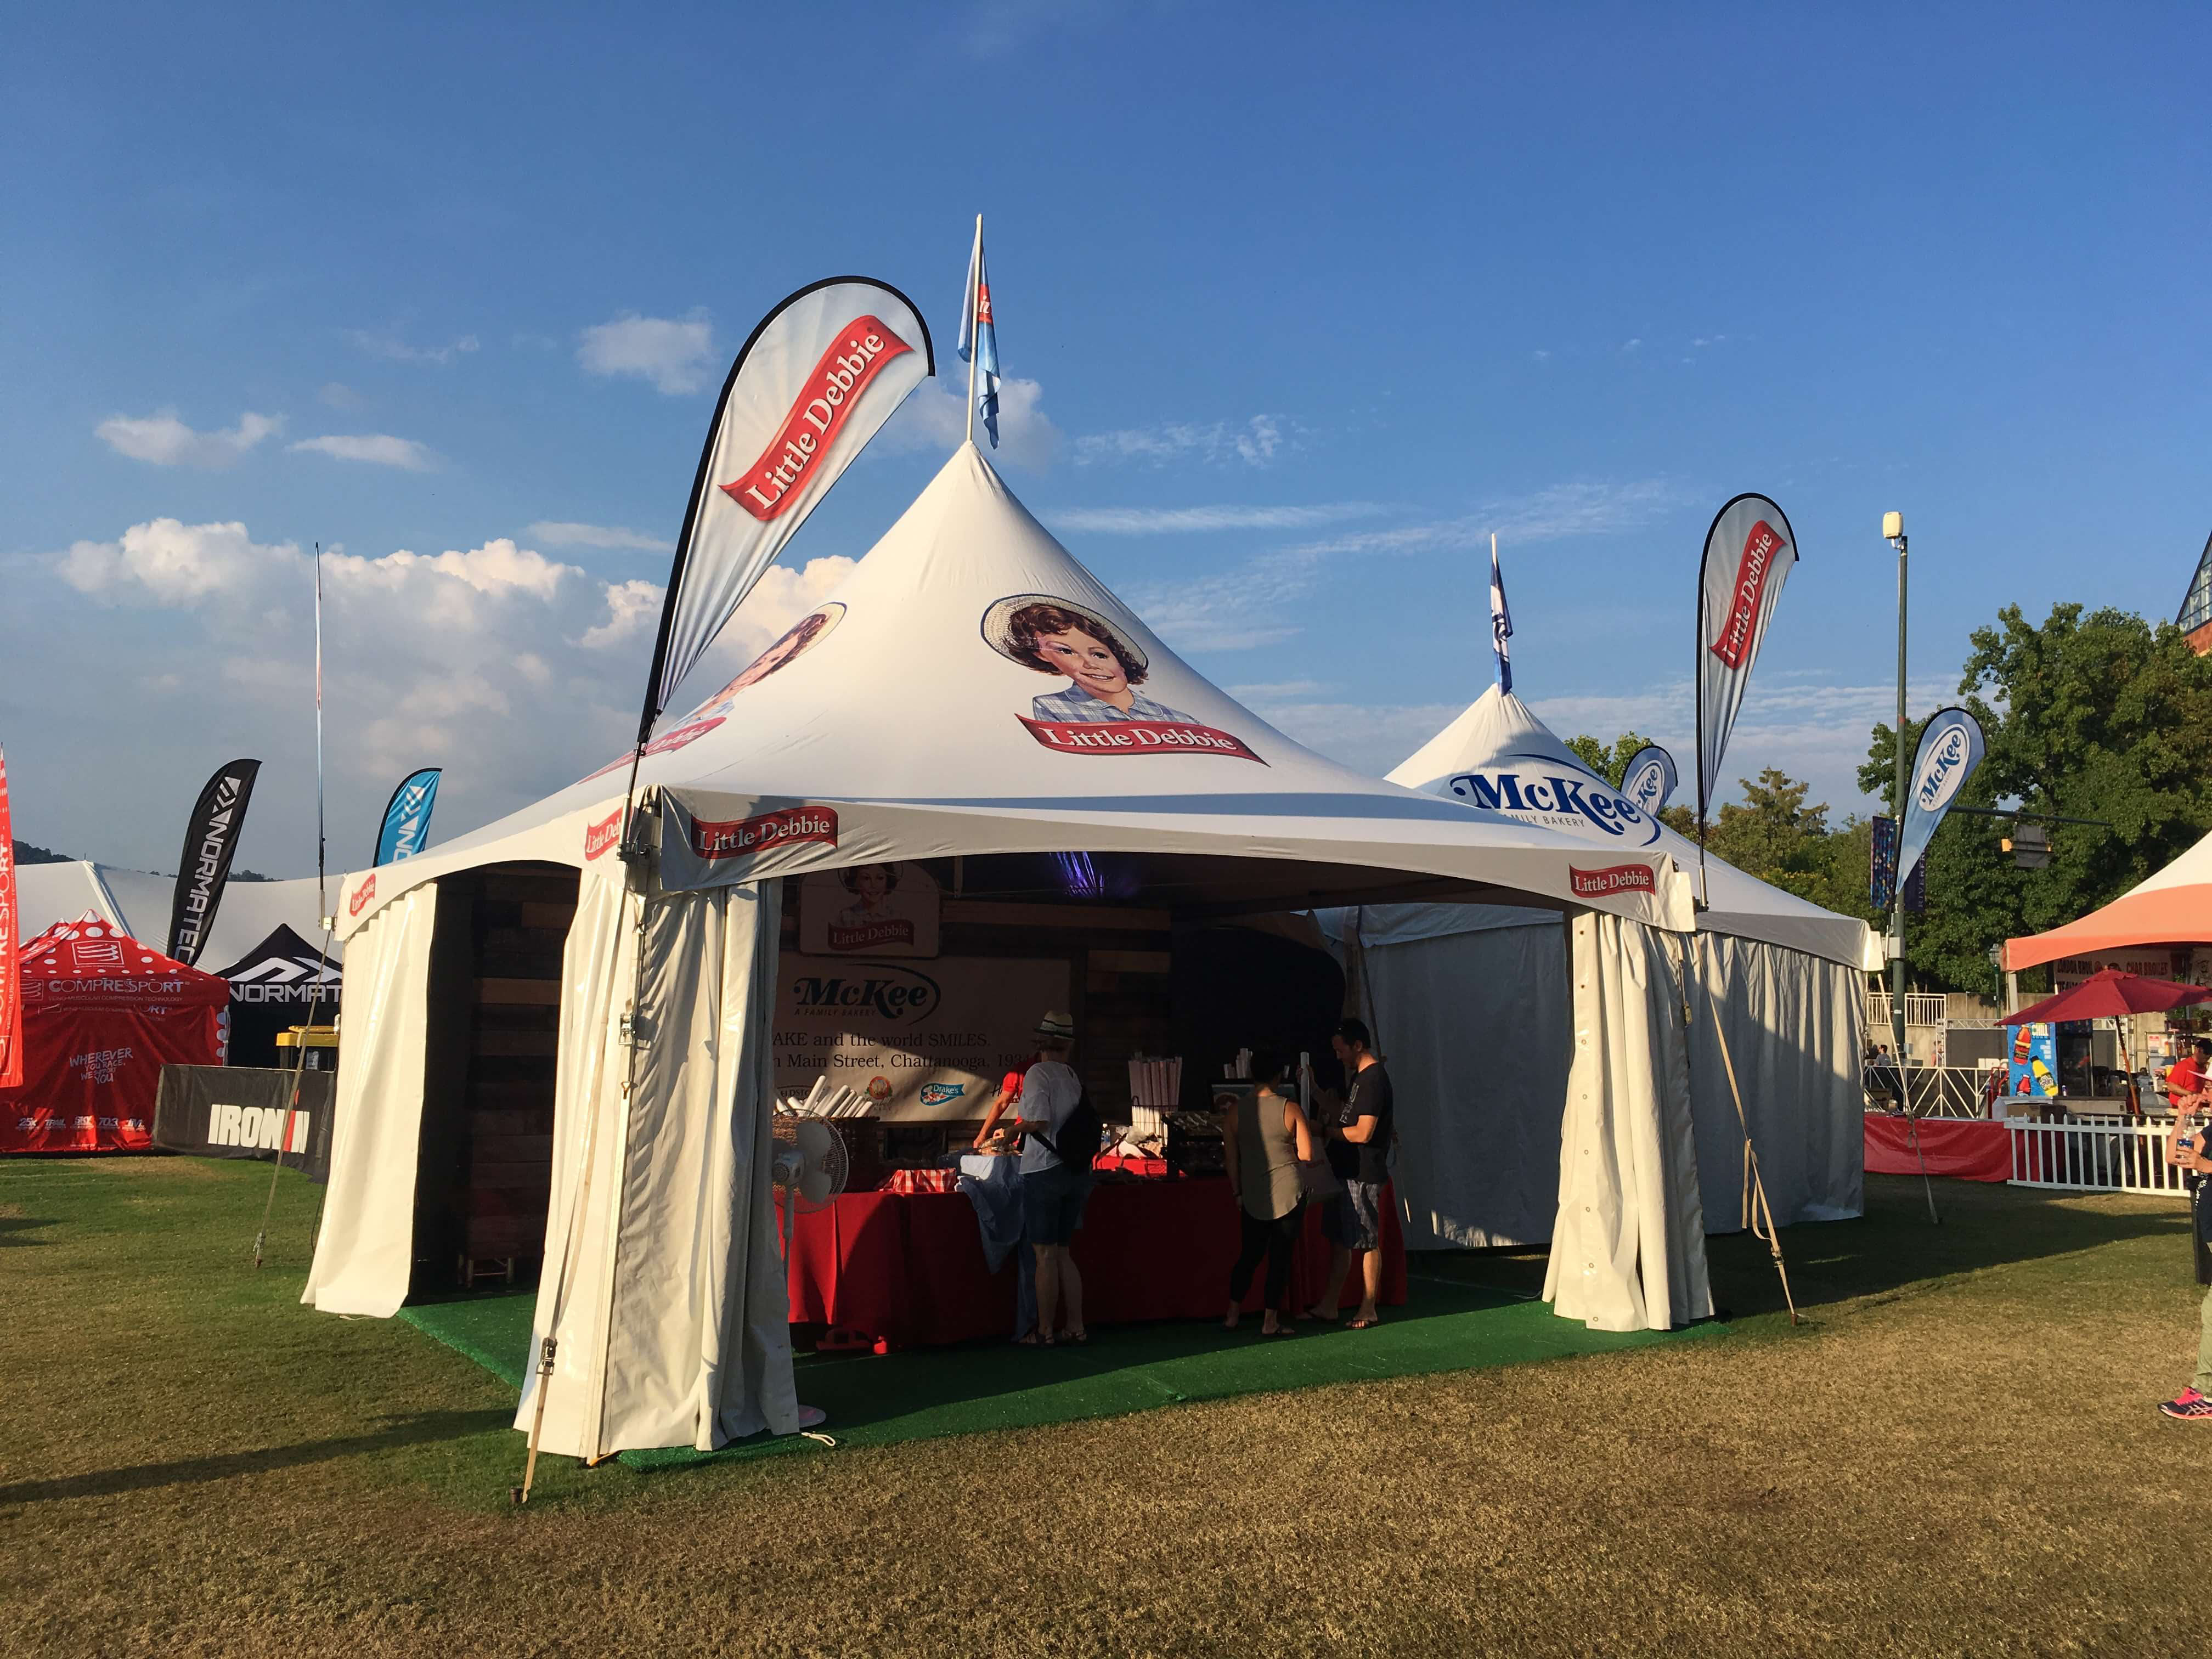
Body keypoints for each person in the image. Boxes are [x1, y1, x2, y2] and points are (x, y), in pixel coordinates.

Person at [1008, 1012, 1094, 1346]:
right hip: (1074, 1171)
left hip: (1043, 1169)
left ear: (1041, 1043)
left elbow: (1037, 1121)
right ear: (1068, 1045)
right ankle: (1076, 1326)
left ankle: (1044, 1331)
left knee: (1043, 1255)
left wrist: (1010, 1131)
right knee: (1063, 1253)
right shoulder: (1072, 1076)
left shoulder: (1036, 1073)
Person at [1220, 1054, 1317, 1336]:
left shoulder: (1234, 1112)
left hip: (1252, 1194)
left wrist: (1237, 1192)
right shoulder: (1291, 1109)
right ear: (1279, 1076)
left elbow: (1230, 1159)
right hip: (1288, 1192)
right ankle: (1270, 1321)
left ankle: (1232, 1315)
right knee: (1279, 1259)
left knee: (1249, 1256)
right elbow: (1307, 1154)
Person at [1307, 1017, 1394, 1329]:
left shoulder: (1373, 1080)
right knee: (1342, 1240)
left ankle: (1368, 1307)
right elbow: (1345, 1110)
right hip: (1345, 1170)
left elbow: (1364, 1132)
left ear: (1358, 1046)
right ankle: (1329, 1305)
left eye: (1340, 1049)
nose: (1337, 1056)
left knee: (1366, 1239)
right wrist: (1314, 1091)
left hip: (1363, 1172)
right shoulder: (1359, 1077)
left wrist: (1325, 1131)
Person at [1001, 599, 1201, 726]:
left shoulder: (1178, 719)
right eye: (1066, 652)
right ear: (1043, 656)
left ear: (1119, 657)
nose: (1090, 664)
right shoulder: (1052, 708)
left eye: (1099, 655)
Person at [2160, 1080, 2212, 1421]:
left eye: (2211, 1088)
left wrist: (2206, 1166)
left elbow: (2200, 1165)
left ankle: (2205, 1392)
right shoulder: (2210, 1130)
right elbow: (2175, 1156)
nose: (2205, 1094)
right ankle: (2204, 1391)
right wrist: (2183, 1119)